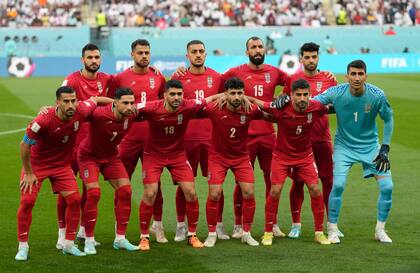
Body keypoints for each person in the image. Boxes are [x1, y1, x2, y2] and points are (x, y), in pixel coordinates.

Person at [15, 86, 111, 261]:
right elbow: (24, 145)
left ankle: (68, 244)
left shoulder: (80, 110)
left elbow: (96, 100)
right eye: (66, 101)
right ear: (57, 102)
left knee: (74, 200)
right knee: (27, 201)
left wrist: (118, 104)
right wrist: (28, 172)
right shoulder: (42, 121)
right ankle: (23, 247)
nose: (71, 105)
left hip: (61, 166)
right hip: (38, 165)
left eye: (73, 100)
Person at [312, 60, 394, 244]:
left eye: (360, 74)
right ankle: (332, 229)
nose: (357, 78)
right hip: (344, 147)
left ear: (366, 76)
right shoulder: (336, 92)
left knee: (388, 187)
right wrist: (289, 101)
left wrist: (385, 149)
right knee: (338, 185)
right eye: (353, 74)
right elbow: (311, 103)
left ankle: (380, 230)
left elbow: (389, 119)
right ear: (347, 76)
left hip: (371, 147)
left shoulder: (377, 95)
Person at [136, 79, 222, 251]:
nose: (176, 98)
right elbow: (129, 108)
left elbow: (208, 99)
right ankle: (144, 236)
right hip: (153, 155)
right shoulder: (152, 107)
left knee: (190, 192)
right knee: (150, 193)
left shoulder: (188, 106)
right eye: (172, 94)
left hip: (177, 155)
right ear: (165, 95)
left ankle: (191, 234)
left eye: (179, 94)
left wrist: (225, 95)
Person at [249, 79, 331, 246]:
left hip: (305, 156)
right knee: (275, 191)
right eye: (298, 95)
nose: (302, 99)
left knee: (315, 189)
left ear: (310, 95)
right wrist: (242, 97)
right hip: (281, 156)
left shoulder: (315, 107)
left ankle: (319, 232)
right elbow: (260, 105)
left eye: (305, 95)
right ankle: (267, 232)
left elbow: (333, 105)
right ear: (291, 95)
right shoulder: (280, 108)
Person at [222, 36, 289, 239]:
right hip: (244, 137)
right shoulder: (236, 72)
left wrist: (283, 97)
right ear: (247, 51)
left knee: (273, 182)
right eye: (253, 47)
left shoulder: (274, 72)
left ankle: (273, 223)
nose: (257, 50)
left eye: (260, 47)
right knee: (241, 183)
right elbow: (215, 84)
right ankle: (238, 225)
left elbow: (295, 84)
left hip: (269, 134)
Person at [171, 40, 229, 242]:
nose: (198, 55)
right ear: (187, 55)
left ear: (206, 54)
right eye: (194, 52)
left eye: (201, 51)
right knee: (184, 185)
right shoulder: (179, 77)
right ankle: (181, 225)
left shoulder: (216, 77)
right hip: (185, 139)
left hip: (212, 139)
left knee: (217, 186)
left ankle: (219, 226)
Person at [111, 39, 167, 244]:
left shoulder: (158, 76)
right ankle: (120, 230)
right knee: (121, 185)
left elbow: (165, 102)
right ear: (132, 54)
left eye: (147, 52)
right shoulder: (121, 78)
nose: (144, 56)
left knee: (156, 185)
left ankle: (157, 226)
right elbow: (112, 105)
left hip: (153, 139)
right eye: (140, 52)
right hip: (127, 139)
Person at [57, 43, 113, 249]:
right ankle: (62, 234)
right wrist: (95, 101)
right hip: (71, 144)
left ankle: (83, 230)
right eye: (90, 58)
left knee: (90, 190)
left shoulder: (107, 79)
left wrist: (153, 69)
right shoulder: (72, 80)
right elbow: (60, 105)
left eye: (97, 57)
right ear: (82, 60)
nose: (94, 61)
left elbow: (120, 100)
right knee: (67, 192)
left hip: (93, 145)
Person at [202, 77, 268, 247]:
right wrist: (216, 97)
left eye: (240, 93)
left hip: (241, 157)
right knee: (215, 193)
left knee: (249, 192)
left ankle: (246, 233)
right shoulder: (214, 108)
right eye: (233, 93)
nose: (237, 97)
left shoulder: (250, 109)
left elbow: (271, 114)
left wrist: (253, 101)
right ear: (226, 94)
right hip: (218, 157)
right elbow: (194, 106)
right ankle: (211, 233)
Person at [282, 42, 337, 239]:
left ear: (318, 57)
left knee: (327, 180)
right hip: (299, 141)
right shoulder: (293, 80)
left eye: (314, 57)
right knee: (297, 182)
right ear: (301, 59)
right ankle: (296, 224)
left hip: (321, 138)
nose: (311, 60)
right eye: (307, 57)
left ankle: (332, 224)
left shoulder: (329, 79)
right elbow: (283, 106)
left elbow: (336, 105)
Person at [78, 88, 140, 255]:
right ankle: (89, 240)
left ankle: (120, 239)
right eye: (125, 103)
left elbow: (159, 107)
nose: (129, 107)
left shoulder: (133, 114)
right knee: (93, 193)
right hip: (89, 156)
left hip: (111, 157)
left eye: (132, 103)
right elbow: (74, 109)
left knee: (126, 191)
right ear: (115, 102)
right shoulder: (98, 114)